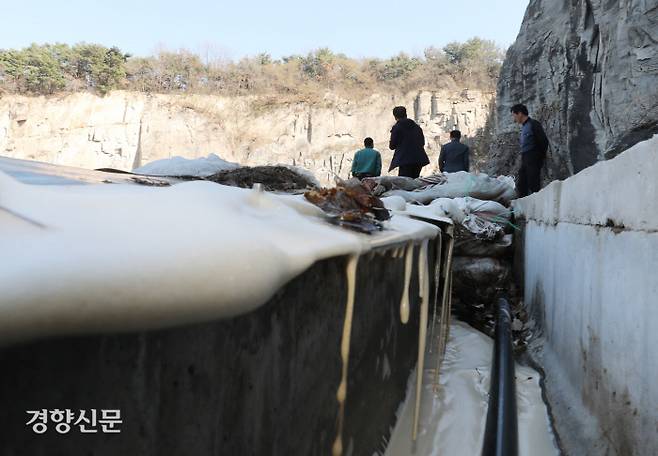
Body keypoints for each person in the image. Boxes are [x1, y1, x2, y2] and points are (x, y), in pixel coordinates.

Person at [511, 104, 549, 197]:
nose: (514, 119)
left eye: (514, 115)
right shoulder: (524, 127)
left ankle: (537, 203)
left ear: (519, 113)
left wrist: (539, 157)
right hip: (526, 158)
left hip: (533, 157)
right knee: (521, 183)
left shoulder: (533, 124)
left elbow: (543, 140)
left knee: (533, 183)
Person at [388, 106, 429, 178]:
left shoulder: (397, 127)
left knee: (404, 183)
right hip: (419, 158)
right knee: (414, 182)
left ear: (395, 117)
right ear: (406, 115)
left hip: (404, 160)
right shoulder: (417, 127)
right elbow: (422, 142)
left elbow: (392, 146)